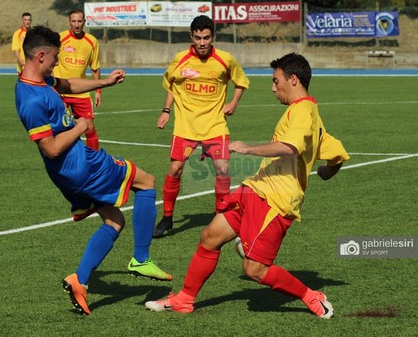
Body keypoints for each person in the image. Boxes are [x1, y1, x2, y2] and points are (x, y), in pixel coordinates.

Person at [145, 53, 350, 318]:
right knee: (210, 237)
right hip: (256, 189)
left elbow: (289, 147)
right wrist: (325, 170)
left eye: (276, 81)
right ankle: (184, 299)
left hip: (276, 202)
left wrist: (247, 148)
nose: (273, 88)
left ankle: (310, 296)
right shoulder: (308, 113)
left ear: (294, 79)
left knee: (254, 270)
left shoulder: (303, 111)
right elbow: (336, 153)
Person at [15, 25, 172, 316]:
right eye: (54, 57)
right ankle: (141, 257)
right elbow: (49, 148)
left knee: (114, 221)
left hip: (68, 172)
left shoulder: (42, 80)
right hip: (79, 165)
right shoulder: (31, 98)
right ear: (39, 56)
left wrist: (105, 83)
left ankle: (80, 280)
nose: (57, 61)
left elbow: (68, 85)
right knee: (147, 181)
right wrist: (81, 125)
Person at [153, 15, 250, 238]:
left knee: (223, 169)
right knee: (175, 169)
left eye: (206, 37)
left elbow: (241, 81)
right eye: (198, 38)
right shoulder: (180, 59)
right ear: (191, 37)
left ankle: (220, 215)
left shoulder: (225, 59)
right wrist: (166, 111)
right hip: (185, 126)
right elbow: (171, 85)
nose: (202, 42)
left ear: (212, 37)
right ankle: (167, 217)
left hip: (215, 125)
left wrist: (234, 102)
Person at [52, 9, 102, 150]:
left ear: (84, 22)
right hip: (60, 91)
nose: (77, 25)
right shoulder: (60, 39)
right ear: (69, 22)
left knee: (90, 128)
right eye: (73, 21)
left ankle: (95, 161)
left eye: (79, 21)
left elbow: (95, 67)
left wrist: (98, 90)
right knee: (59, 128)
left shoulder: (92, 42)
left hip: (81, 91)